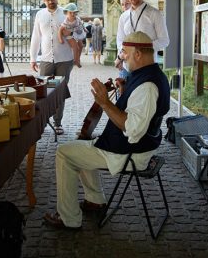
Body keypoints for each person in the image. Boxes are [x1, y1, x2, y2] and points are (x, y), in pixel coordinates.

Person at [43, 31, 170, 229]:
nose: (122, 58)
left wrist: (104, 103)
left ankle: (69, 218)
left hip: (131, 153)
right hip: (139, 146)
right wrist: (123, 93)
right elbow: (139, 112)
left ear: (138, 54)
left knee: (63, 153)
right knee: (83, 145)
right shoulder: (153, 75)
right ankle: (95, 200)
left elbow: (133, 129)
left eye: (124, 53)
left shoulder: (147, 86)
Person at [29, 0, 74, 135]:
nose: (50, 2)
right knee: (44, 91)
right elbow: (36, 37)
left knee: (59, 92)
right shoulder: (40, 15)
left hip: (64, 59)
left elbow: (79, 32)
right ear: (44, 0)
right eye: (47, 0)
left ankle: (58, 122)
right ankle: (42, 121)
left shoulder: (66, 13)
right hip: (46, 59)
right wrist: (33, 58)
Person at [116, 0, 169, 80]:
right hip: (127, 67)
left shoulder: (154, 13)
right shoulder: (123, 16)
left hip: (147, 67)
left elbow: (164, 40)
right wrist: (121, 56)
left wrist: (141, 49)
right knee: (125, 94)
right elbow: (120, 41)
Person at [58, 3, 85, 68]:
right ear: (67, 13)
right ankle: (75, 60)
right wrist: (60, 39)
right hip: (70, 36)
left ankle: (78, 59)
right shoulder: (66, 21)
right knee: (75, 47)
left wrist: (84, 29)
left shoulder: (77, 19)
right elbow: (60, 30)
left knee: (81, 46)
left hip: (76, 34)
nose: (72, 14)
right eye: (70, 13)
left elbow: (81, 24)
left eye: (74, 13)